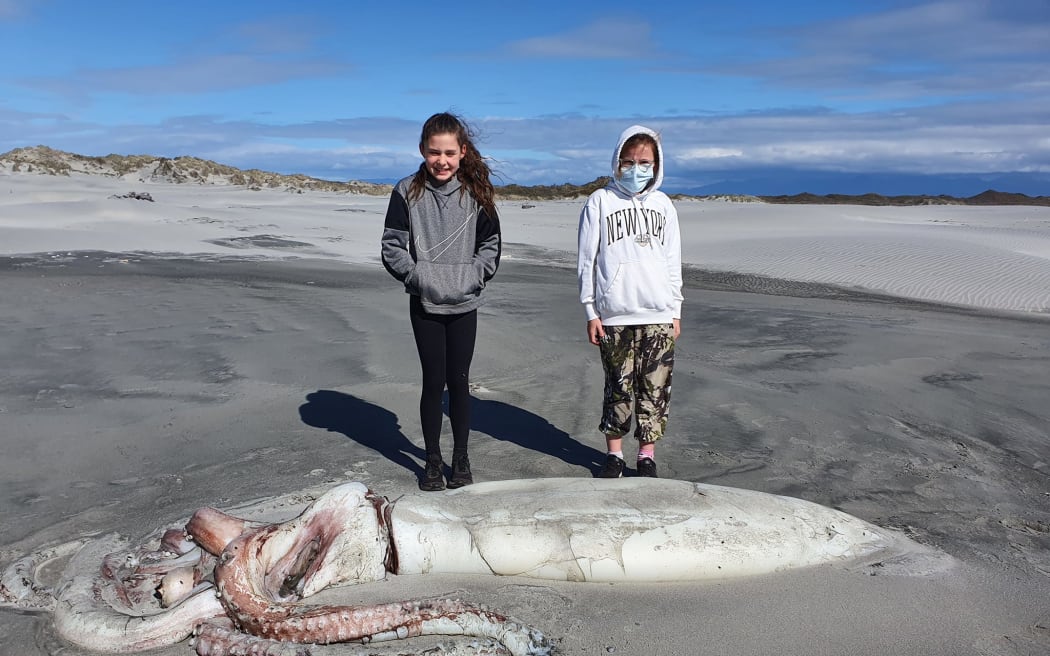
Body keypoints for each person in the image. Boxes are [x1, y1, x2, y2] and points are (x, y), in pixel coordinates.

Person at [381, 112, 501, 491]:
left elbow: (492, 248)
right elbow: (391, 247)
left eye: (450, 152)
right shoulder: (406, 191)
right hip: (425, 304)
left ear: (463, 152)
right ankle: (432, 460)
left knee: (459, 382)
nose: (442, 161)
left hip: (465, 303)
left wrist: (471, 278)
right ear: (422, 150)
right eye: (435, 152)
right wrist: (420, 278)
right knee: (433, 382)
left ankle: (461, 458)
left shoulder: (477, 193)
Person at [577, 125, 683, 479]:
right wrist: (591, 310)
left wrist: (675, 309)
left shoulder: (663, 205)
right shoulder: (600, 202)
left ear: (656, 164)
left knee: (655, 388)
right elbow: (587, 260)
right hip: (614, 315)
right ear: (617, 161)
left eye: (644, 162)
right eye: (629, 161)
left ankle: (647, 455)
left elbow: (672, 259)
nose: (636, 169)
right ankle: (615, 455)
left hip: (658, 312)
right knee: (618, 386)